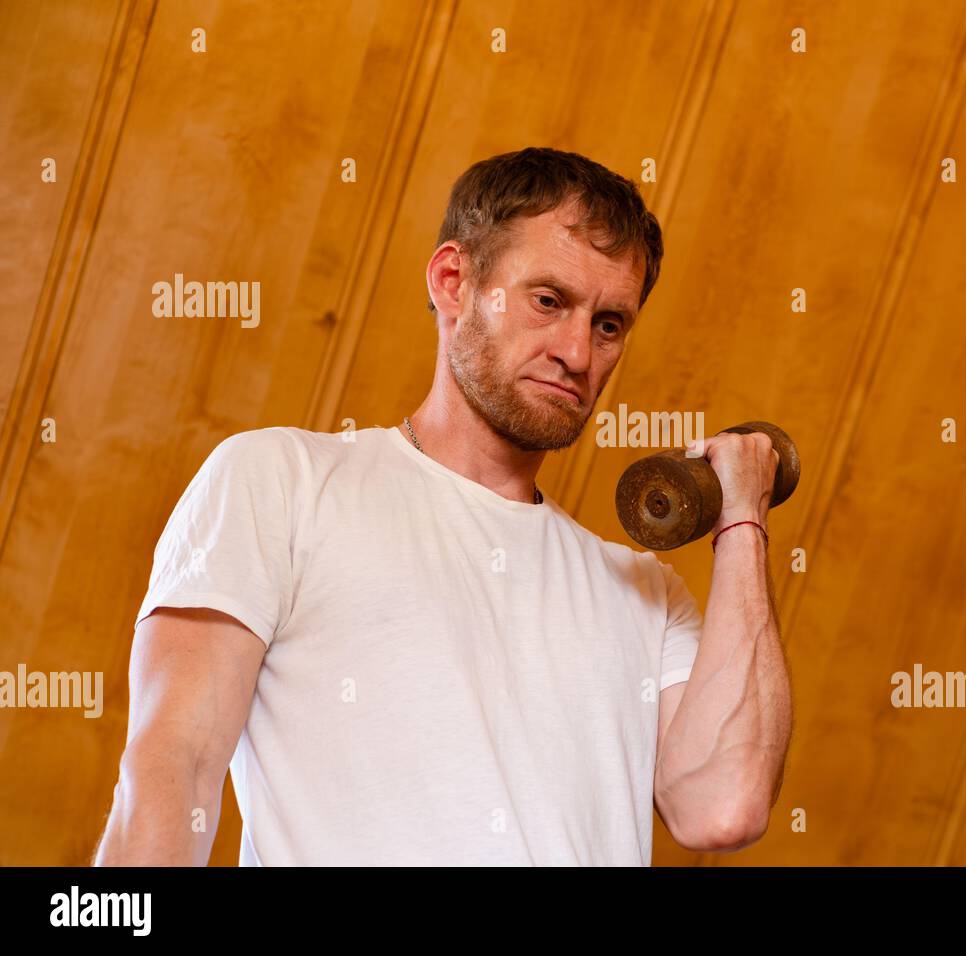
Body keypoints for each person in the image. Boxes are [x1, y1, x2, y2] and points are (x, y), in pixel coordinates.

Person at [94, 147, 792, 866]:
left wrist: (744, 522)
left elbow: (725, 806)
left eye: (609, 324)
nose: (578, 353)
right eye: (548, 301)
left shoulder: (645, 595)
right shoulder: (282, 482)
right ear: (454, 281)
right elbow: (174, 768)